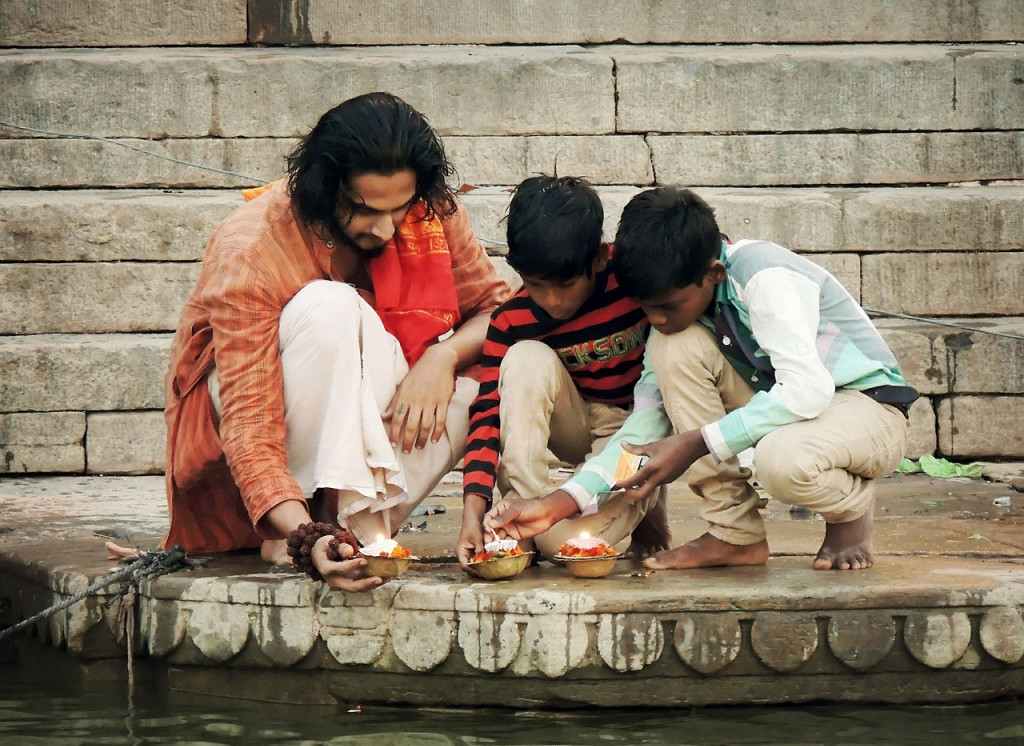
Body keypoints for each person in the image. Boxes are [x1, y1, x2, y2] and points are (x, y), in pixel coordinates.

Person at [161, 92, 510, 591]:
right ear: (327, 189)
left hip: (371, 429)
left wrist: (443, 355)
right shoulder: (253, 249)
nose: (387, 229)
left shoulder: (432, 213)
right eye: (365, 210)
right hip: (259, 441)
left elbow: (500, 313)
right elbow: (250, 423)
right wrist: (304, 534)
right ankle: (310, 527)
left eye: (401, 207)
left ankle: (353, 530)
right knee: (333, 307)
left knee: (483, 388)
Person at [485, 186, 917, 571]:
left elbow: (807, 390)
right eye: (646, 308)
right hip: (800, 412)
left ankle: (851, 512)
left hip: (868, 407)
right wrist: (560, 502)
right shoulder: (677, 327)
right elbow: (641, 433)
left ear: (713, 274)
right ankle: (736, 533)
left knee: (782, 462)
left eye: (668, 307)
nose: (655, 320)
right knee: (675, 348)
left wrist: (693, 442)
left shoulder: (763, 277)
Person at [457, 175, 668, 570]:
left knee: (562, 545)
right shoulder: (512, 320)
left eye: (566, 284)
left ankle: (649, 495)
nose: (551, 300)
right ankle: (519, 513)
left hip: (635, 433)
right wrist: (473, 511)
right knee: (524, 357)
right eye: (536, 284)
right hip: (573, 419)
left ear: (600, 258)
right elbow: (486, 415)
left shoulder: (632, 278)